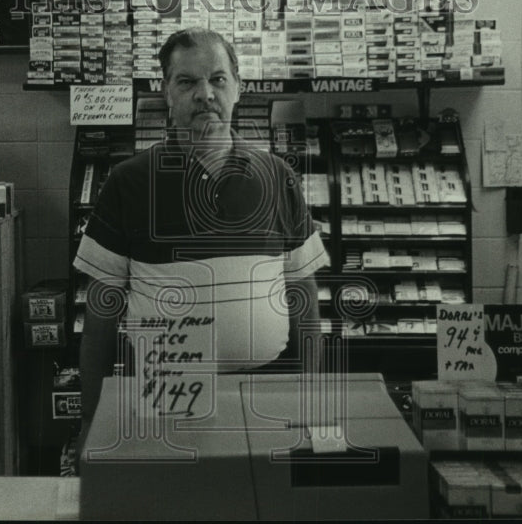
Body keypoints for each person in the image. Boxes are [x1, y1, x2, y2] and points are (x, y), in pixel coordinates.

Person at [72, 27, 330, 451]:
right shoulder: (129, 182)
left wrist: (314, 400)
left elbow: (305, 297)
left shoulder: (277, 177)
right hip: (163, 399)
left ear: (238, 88)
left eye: (217, 79)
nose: (205, 94)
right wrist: (90, 420)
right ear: (166, 93)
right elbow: (101, 314)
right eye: (187, 81)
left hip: (267, 394)